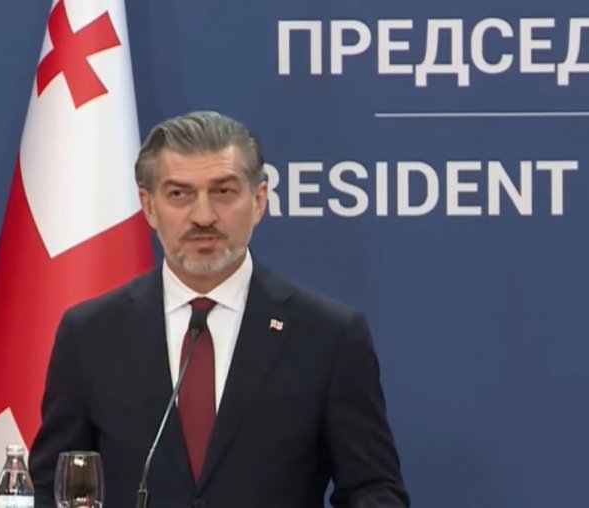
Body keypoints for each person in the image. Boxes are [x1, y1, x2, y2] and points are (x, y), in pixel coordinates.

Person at [29, 111, 409, 507]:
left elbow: (374, 490)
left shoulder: (327, 336)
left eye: (223, 192)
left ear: (259, 200)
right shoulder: (91, 334)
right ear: (148, 207)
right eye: (179, 195)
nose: (203, 216)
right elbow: (51, 487)